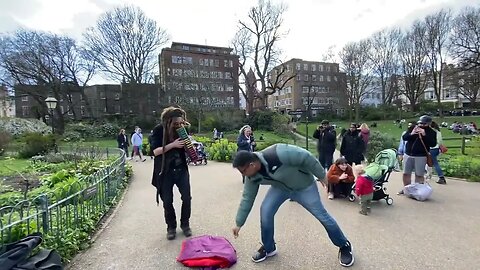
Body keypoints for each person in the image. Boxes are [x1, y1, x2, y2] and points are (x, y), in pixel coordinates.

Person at [231, 144, 354, 267]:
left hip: (304, 187)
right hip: (281, 189)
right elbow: (247, 197)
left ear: (251, 165)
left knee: (322, 215)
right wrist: (239, 223)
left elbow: (306, 157)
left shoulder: (278, 153)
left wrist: (322, 175)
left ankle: (344, 245)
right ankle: (269, 248)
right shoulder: (252, 177)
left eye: (243, 171)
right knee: (266, 211)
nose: (243, 175)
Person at [150, 106, 192, 240]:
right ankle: (171, 227)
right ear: (168, 121)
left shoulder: (182, 129)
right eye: (176, 123)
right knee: (167, 201)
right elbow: (155, 151)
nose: (179, 125)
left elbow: (186, 148)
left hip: (181, 169)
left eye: (181, 122)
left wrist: (190, 148)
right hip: (165, 171)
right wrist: (172, 145)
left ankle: (185, 224)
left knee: (187, 198)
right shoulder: (158, 130)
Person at [399, 115, 437, 195]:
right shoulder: (413, 128)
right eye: (420, 123)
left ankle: (418, 191)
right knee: (406, 173)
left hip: (421, 156)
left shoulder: (431, 132)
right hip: (408, 154)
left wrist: (424, 135)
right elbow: (405, 137)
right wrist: (411, 134)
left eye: (424, 124)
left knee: (419, 175)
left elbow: (433, 144)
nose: (421, 125)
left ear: (428, 124)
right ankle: (407, 190)